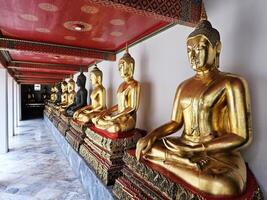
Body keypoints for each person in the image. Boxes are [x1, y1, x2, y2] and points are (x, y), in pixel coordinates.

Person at [136, 19, 252, 196]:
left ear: (217, 47)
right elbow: (175, 122)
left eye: (199, 48)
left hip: (217, 153)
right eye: (189, 50)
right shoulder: (183, 86)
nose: (193, 55)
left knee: (227, 185)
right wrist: (151, 136)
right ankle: (185, 163)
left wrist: (198, 149)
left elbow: (241, 136)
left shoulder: (232, 83)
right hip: (183, 146)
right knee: (146, 147)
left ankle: (179, 162)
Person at [92, 47, 141, 133]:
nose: (119, 70)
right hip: (119, 117)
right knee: (96, 118)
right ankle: (105, 124)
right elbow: (120, 105)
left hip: (129, 119)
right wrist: (106, 112)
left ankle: (105, 125)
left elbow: (132, 108)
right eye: (119, 67)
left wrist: (114, 117)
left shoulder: (134, 85)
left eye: (121, 67)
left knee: (115, 128)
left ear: (130, 67)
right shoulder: (121, 85)